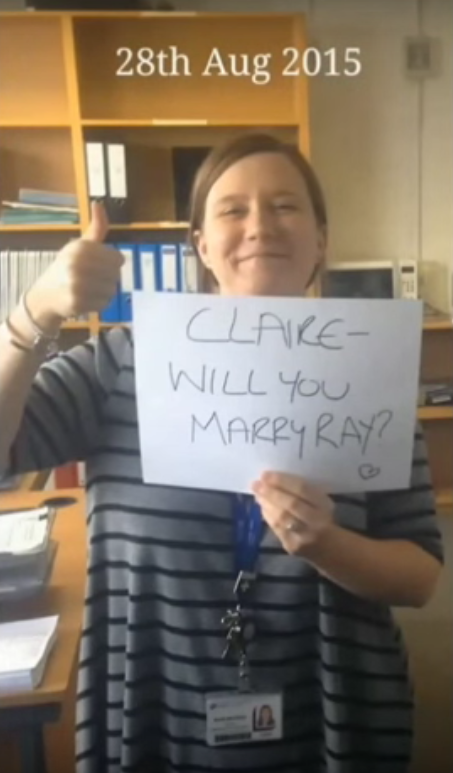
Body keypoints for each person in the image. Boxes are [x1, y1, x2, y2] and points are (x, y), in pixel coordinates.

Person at [0, 132, 444, 773]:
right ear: (202, 245)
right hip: (156, 708)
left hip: (337, 709)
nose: (260, 225)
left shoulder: (372, 370)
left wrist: (327, 545)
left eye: (285, 206)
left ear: (321, 239)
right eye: (233, 209)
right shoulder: (120, 363)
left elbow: (420, 576)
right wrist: (35, 312)